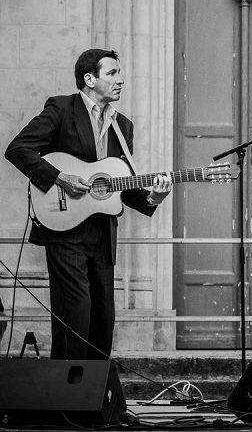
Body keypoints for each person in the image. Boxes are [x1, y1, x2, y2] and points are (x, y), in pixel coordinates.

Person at [5, 48, 173, 360]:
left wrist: (154, 197)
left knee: (102, 321)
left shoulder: (123, 126)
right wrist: (60, 177)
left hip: (102, 236)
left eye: (120, 73)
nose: (121, 80)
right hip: (64, 230)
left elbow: (121, 185)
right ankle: (67, 391)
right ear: (89, 79)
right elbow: (18, 149)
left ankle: (95, 391)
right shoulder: (61, 109)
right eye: (112, 73)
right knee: (74, 316)